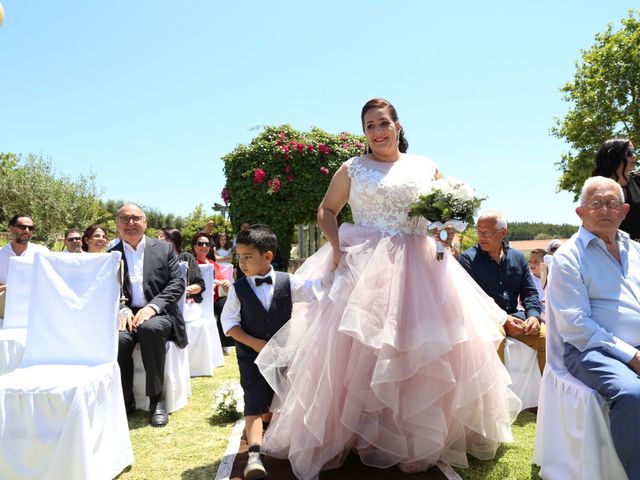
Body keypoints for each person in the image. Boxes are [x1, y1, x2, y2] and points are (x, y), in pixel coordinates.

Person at [255, 98, 519, 480]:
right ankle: (357, 435)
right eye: (369, 126)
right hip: (364, 264)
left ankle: (415, 439)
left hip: (421, 267)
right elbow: (326, 210)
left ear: (398, 126)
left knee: (420, 350)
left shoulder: (425, 166)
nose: (377, 131)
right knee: (358, 352)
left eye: (383, 123)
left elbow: (445, 216)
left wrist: (448, 234)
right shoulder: (353, 168)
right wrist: (337, 246)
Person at [548, 176, 640, 479]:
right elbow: (576, 327)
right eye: (595, 203)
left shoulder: (637, 250)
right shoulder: (568, 257)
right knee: (633, 394)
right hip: (590, 350)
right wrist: (631, 356)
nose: (604, 209)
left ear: (624, 210)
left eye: (612, 203)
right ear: (580, 212)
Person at [221, 224, 326, 480]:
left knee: (279, 400)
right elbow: (229, 325)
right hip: (251, 358)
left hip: (283, 355)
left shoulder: (288, 282)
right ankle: (255, 456)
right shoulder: (238, 289)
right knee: (254, 402)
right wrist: (254, 343)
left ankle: (276, 433)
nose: (242, 263)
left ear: (267, 257)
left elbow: (319, 289)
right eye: (239, 257)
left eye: (248, 257)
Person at [109, 204, 186, 427]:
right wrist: (122, 309)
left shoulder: (163, 249)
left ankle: (157, 400)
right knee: (120, 339)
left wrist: (153, 307)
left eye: (135, 218)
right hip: (126, 313)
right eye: (124, 219)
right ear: (117, 224)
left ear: (145, 222)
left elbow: (177, 283)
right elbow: (105, 290)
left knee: (149, 329)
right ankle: (125, 401)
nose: (130, 223)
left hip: (159, 312)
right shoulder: (110, 255)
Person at [459, 211, 546, 375]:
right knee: (493, 340)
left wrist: (534, 316)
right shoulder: (468, 259)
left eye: (487, 233)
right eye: (479, 232)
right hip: (485, 320)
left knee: (549, 340)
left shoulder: (518, 258)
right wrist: (503, 320)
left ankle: (548, 397)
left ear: (503, 232)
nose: (481, 236)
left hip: (516, 316)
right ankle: (497, 399)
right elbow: (471, 300)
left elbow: (529, 292)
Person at [0, 214, 49, 317]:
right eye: (22, 227)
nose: (27, 231)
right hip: (4, 310)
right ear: (11, 228)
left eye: (31, 228)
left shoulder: (42, 252)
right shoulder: (1, 254)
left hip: (34, 311)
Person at [192, 232, 234, 352]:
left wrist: (225, 283)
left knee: (227, 304)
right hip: (198, 300)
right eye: (200, 243)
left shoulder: (213, 264)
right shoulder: (192, 263)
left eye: (207, 243)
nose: (204, 246)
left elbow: (222, 281)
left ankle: (223, 342)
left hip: (215, 298)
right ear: (195, 246)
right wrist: (214, 282)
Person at [592, 137, 640, 239]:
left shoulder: (638, 180)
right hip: (614, 248)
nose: (634, 156)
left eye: (634, 151)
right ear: (614, 156)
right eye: (629, 152)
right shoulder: (598, 187)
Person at [159, 228, 205, 304]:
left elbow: (200, 286)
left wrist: (185, 291)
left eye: (161, 236)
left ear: (171, 240)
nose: (157, 239)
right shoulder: (156, 258)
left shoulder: (186, 257)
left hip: (184, 303)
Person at [527, 248, 547, 314]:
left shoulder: (552, 278)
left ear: (544, 263)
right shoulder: (526, 279)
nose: (532, 264)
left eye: (535, 262)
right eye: (530, 261)